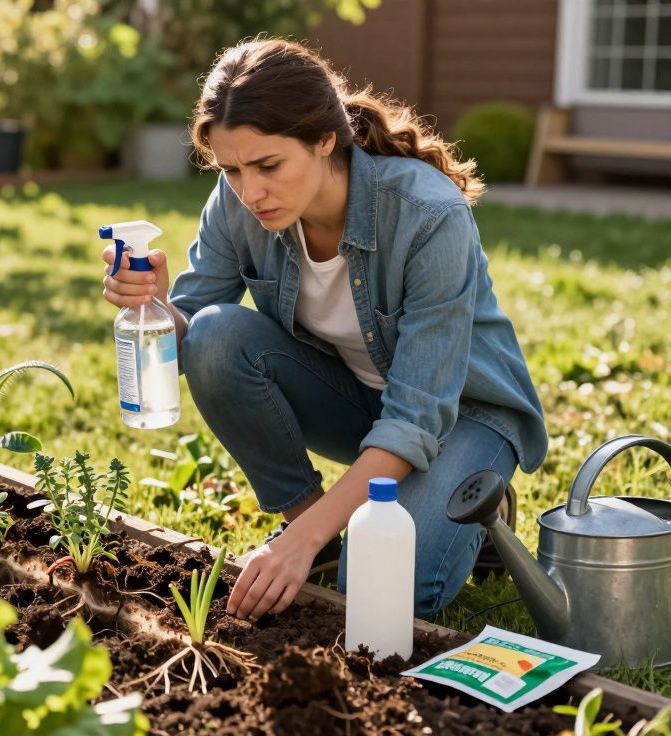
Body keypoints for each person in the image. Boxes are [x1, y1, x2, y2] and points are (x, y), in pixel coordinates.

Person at [100, 38, 547, 621]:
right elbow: (194, 341)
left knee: (389, 590)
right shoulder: (238, 201)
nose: (249, 191)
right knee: (215, 335)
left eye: (267, 166)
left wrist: (298, 541)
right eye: (231, 169)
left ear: (324, 140)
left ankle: (476, 502)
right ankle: (317, 536)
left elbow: (416, 416)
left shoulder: (429, 216)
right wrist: (158, 307)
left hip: (461, 413)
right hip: (356, 398)